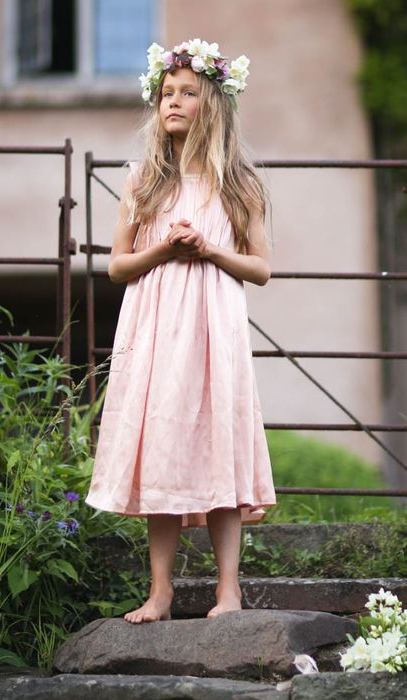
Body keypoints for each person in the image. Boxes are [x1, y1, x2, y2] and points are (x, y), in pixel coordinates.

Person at [85, 39, 276, 624]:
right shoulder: (144, 181)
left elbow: (261, 269)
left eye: (188, 93)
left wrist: (210, 248)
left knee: (218, 442)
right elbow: (117, 265)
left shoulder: (238, 185)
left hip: (213, 331)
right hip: (158, 330)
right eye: (166, 93)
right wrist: (164, 247)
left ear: (211, 104)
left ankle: (228, 591)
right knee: (163, 446)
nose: (173, 101)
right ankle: (161, 592)